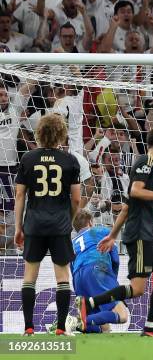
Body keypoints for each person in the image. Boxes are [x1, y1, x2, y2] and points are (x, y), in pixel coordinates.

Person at [77, 128, 153, 337]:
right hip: (140, 235)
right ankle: (90, 302)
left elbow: (128, 205)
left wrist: (112, 235)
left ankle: (150, 328)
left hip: (149, 235)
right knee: (137, 289)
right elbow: (135, 191)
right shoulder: (145, 163)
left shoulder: (152, 168)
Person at [14, 113, 81, 335]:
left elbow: (20, 196)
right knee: (62, 278)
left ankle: (28, 327)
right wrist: (68, 221)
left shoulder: (28, 158)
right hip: (59, 225)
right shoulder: (70, 160)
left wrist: (18, 227)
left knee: (29, 277)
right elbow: (77, 199)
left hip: (34, 224)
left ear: (40, 133)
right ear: (61, 133)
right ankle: (61, 327)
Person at [61, 210, 128, 333]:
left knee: (100, 327)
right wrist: (113, 285)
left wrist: (78, 291)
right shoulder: (101, 231)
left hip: (78, 278)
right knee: (122, 316)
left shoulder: (72, 243)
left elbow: (71, 267)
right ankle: (74, 321)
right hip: (97, 269)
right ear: (90, 222)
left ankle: (76, 323)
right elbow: (115, 260)